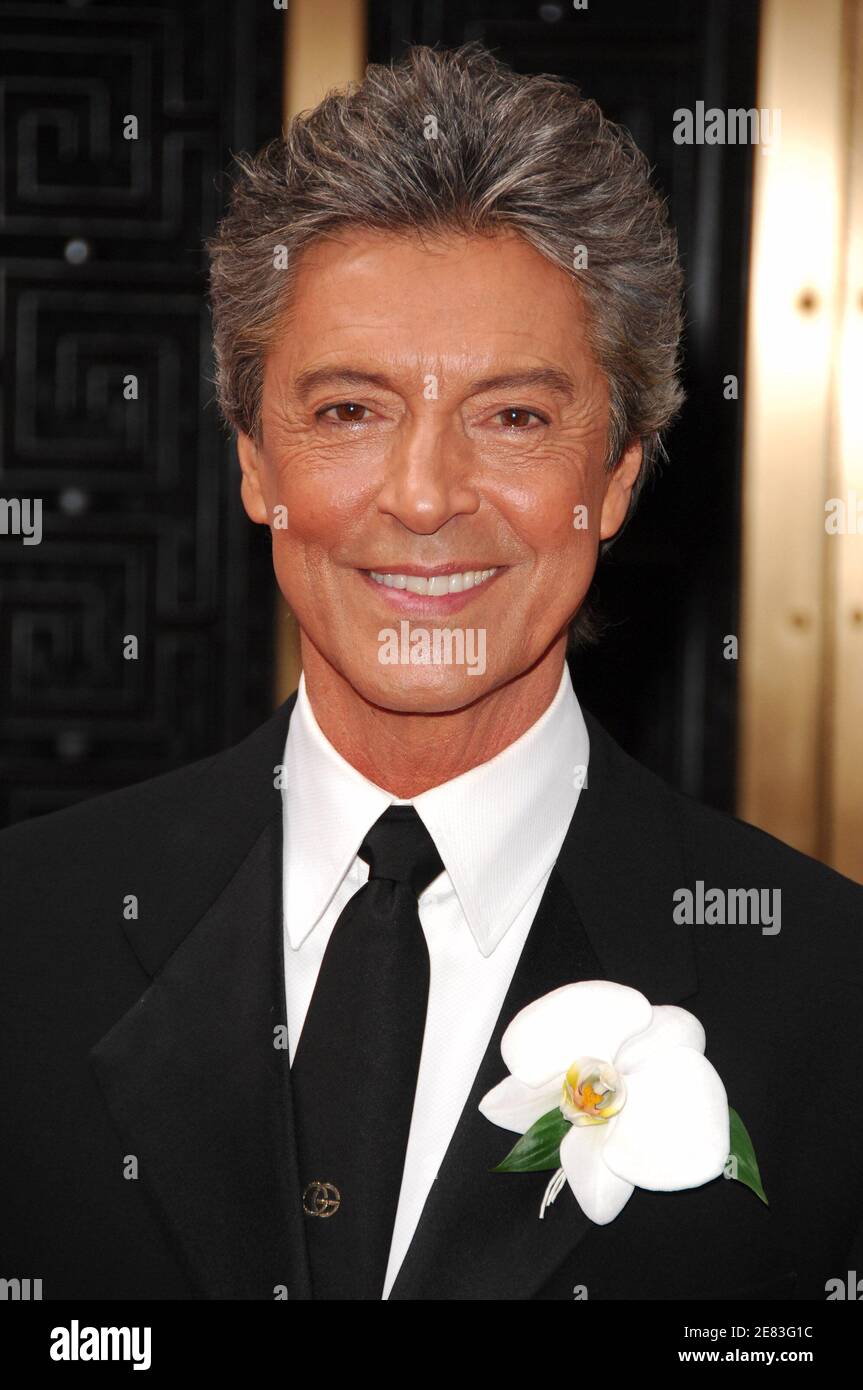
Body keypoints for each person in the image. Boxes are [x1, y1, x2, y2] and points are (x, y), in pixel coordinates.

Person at [1, 43, 861, 1302]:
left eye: (513, 416)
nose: (422, 498)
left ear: (616, 475)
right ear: (254, 462)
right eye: (349, 410)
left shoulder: (829, 1001)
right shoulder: (29, 933)